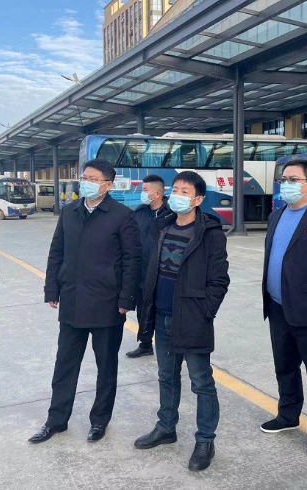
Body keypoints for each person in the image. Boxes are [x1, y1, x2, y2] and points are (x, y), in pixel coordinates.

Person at [29, 159, 141, 444]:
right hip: (72, 300)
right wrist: (52, 289)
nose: (86, 182)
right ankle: (56, 421)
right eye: (85, 177)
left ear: (108, 185)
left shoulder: (122, 216)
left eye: (93, 179)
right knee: (64, 365)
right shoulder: (70, 211)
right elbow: (57, 251)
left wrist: (126, 299)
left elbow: (132, 260)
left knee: (106, 367)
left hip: (108, 304)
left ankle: (99, 420)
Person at [134, 171, 230, 472]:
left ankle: (205, 440)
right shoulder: (162, 226)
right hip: (161, 313)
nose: (176, 195)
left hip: (192, 317)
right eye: (174, 189)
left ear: (198, 199)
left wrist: (205, 313)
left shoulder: (210, 233)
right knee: (166, 376)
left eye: (184, 192)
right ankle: (166, 427)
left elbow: (219, 280)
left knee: (201, 382)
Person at [260, 159, 307, 458]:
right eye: (283, 179)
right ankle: (288, 415)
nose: (286, 184)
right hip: (277, 307)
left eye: (293, 180)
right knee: (285, 367)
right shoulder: (276, 215)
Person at [126, 174, 170, 359]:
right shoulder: (139, 212)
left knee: (165, 310)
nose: (142, 193)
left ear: (157, 193)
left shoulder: (172, 213)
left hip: (164, 270)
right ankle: (145, 344)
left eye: (145, 190)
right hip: (142, 269)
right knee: (143, 308)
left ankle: (175, 346)